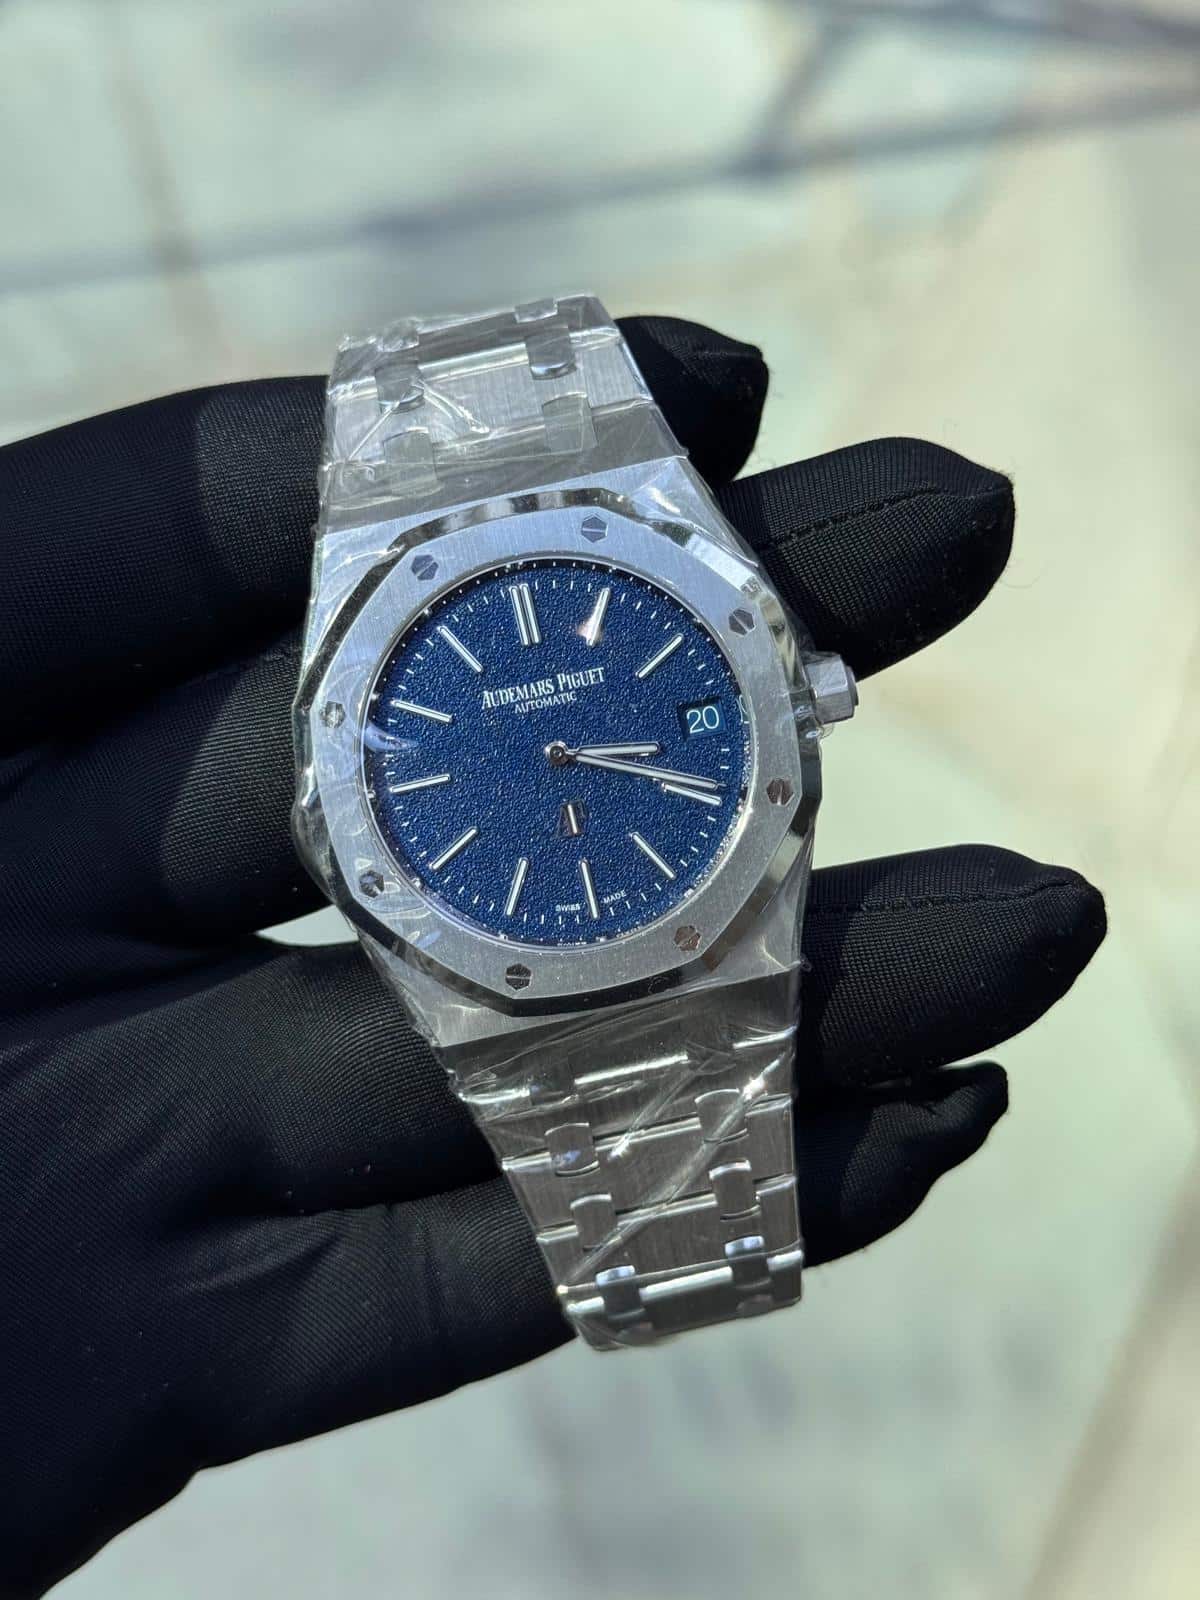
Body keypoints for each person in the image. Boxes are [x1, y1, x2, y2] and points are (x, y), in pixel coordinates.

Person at [0, 315, 1105, 1596]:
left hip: (679, 896)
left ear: (803, 690)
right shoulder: (353, 786)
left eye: (569, 747)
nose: (559, 752)